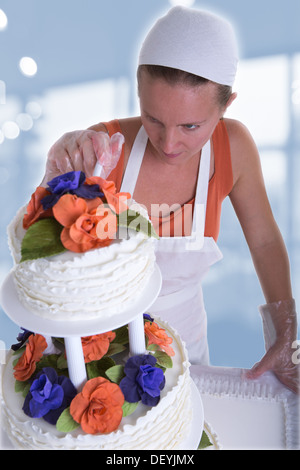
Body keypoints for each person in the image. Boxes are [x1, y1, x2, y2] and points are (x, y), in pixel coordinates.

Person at [41, 6, 298, 393]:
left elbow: (263, 240)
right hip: (95, 352)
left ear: (226, 106)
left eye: (191, 126)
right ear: (139, 93)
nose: (169, 142)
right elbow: (46, 257)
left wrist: (287, 332)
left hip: (185, 344)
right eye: (153, 118)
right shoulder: (103, 149)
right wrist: (55, 180)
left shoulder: (234, 148)